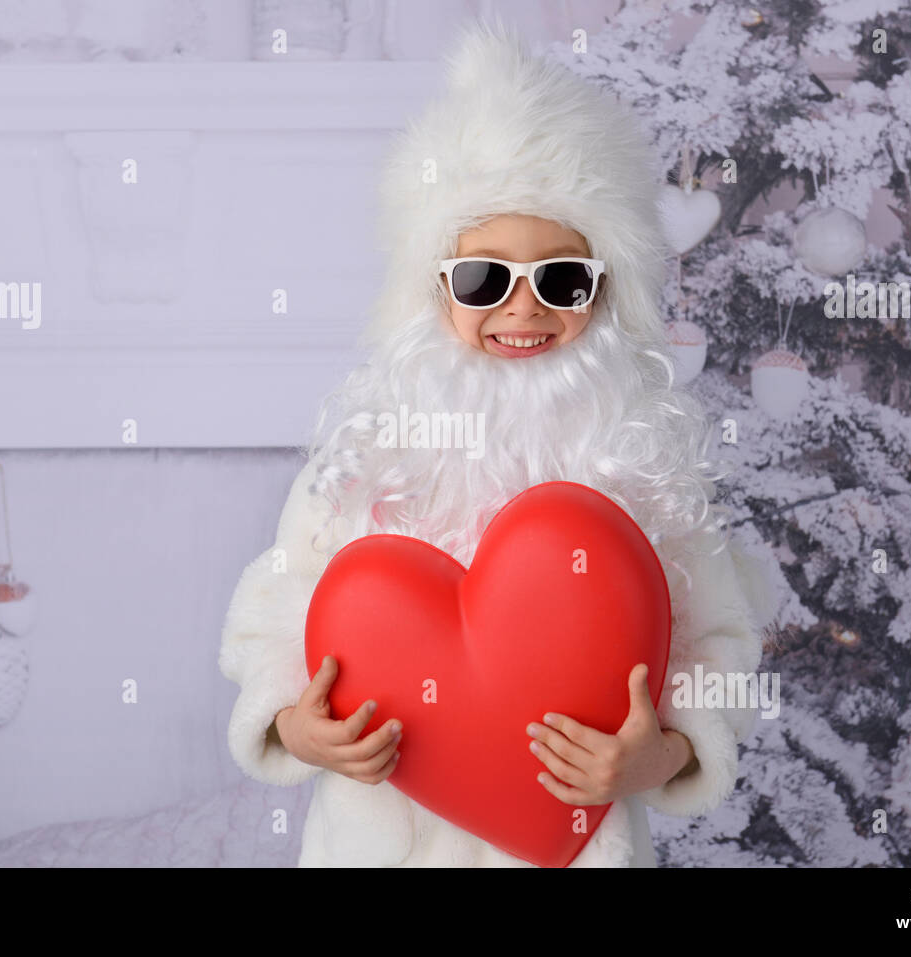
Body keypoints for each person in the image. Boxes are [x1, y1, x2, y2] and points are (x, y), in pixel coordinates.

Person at [219, 16, 775, 867]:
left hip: (574, 844)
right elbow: (275, 616)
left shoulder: (646, 466)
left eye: (561, 278)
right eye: (484, 279)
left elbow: (721, 644)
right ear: (431, 289)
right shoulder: (371, 455)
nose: (523, 309)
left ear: (606, 291)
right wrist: (295, 726)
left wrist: (663, 751)